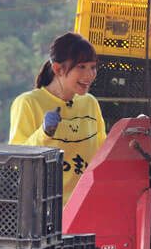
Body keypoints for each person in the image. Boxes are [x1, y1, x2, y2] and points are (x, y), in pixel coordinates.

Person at [9, 32, 106, 203]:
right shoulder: (28, 103)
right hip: (45, 214)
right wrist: (44, 133)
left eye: (93, 67)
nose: (90, 75)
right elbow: (16, 161)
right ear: (58, 69)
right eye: (81, 67)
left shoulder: (90, 103)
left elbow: (101, 153)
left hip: (86, 208)